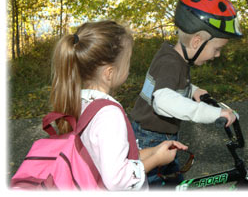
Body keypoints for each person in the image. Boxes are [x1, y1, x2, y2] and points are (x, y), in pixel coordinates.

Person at [49, 20, 188, 190]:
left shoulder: (80, 100)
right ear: (109, 73)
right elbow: (117, 180)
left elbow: (109, 157)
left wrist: (154, 151)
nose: (129, 67)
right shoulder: (108, 114)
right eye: (127, 60)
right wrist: (156, 160)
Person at [130, 0, 243, 187]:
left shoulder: (173, 57)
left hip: (157, 135)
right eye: (216, 49)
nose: (217, 55)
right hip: (151, 139)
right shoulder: (170, 64)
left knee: (174, 183)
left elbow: (171, 85)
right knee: (154, 185)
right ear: (197, 42)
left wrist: (193, 91)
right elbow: (163, 100)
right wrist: (214, 113)